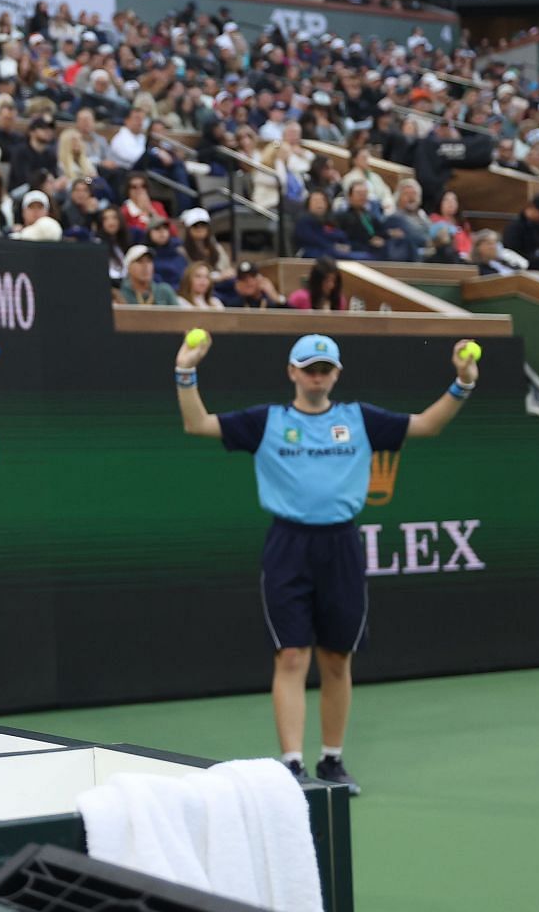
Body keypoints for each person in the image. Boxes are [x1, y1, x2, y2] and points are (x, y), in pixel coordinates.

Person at [173, 332, 481, 794]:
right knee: (291, 654)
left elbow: (426, 426)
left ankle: (332, 760)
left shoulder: (359, 419)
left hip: (340, 545)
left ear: (335, 374)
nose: (317, 377)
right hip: (288, 545)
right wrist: (185, 370)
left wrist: (463, 382)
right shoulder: (267, 421)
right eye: (309, 368)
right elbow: (197, 423)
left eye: (325, 369)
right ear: (292, 372)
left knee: (337, 658)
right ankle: (292, 765)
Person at [335, 180, 387, 258]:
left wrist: (383, 238)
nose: (362, 196)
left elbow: (380, 232)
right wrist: (369, 242)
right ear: (350, 196)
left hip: (374, 252)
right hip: (354, 253)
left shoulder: (370, 216)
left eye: (365, 194)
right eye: (359, 193)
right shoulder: (341, 216)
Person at [293, 191, 350, 259]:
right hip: (313, 254)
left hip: (333, 252)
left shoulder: (329, 220)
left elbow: (341, 236)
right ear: (308, 204)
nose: (319, 203)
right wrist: (333, 245)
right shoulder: (303, 221)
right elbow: (313, 240)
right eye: (315, 200)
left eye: (322, 200)